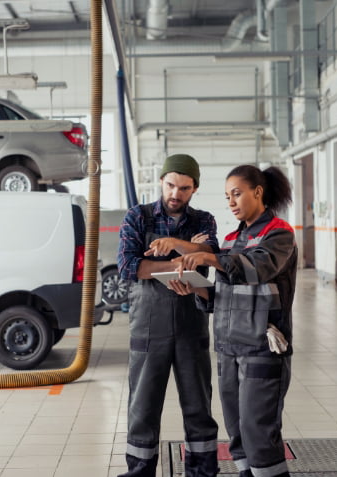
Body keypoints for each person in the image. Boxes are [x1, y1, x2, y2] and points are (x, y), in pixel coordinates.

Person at [170, 164, 297, 477]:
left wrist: (208, 257)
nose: (231, 202)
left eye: (237, 194)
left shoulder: (278, 233)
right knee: (237, 430)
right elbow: (223, 295)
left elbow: (257, 270)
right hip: (228, 348)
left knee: (258, 430)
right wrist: (197, 289)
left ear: (258, 192)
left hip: (261, 347)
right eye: (227, 197)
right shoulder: (229, 239)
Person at [117, 154, 219, 477]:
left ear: (195, 189)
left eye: (185, 188)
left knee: (198, 405)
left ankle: (203, 471)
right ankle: (139, 473)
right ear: (161, 181)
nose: (176, 193)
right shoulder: (138, 218)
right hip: (149, 329)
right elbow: (129, 266)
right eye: (171, 184)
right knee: (143, 407)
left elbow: (212, 256)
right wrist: (184, 257)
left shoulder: (204, 221)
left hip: (192, 326)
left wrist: (175, 244)